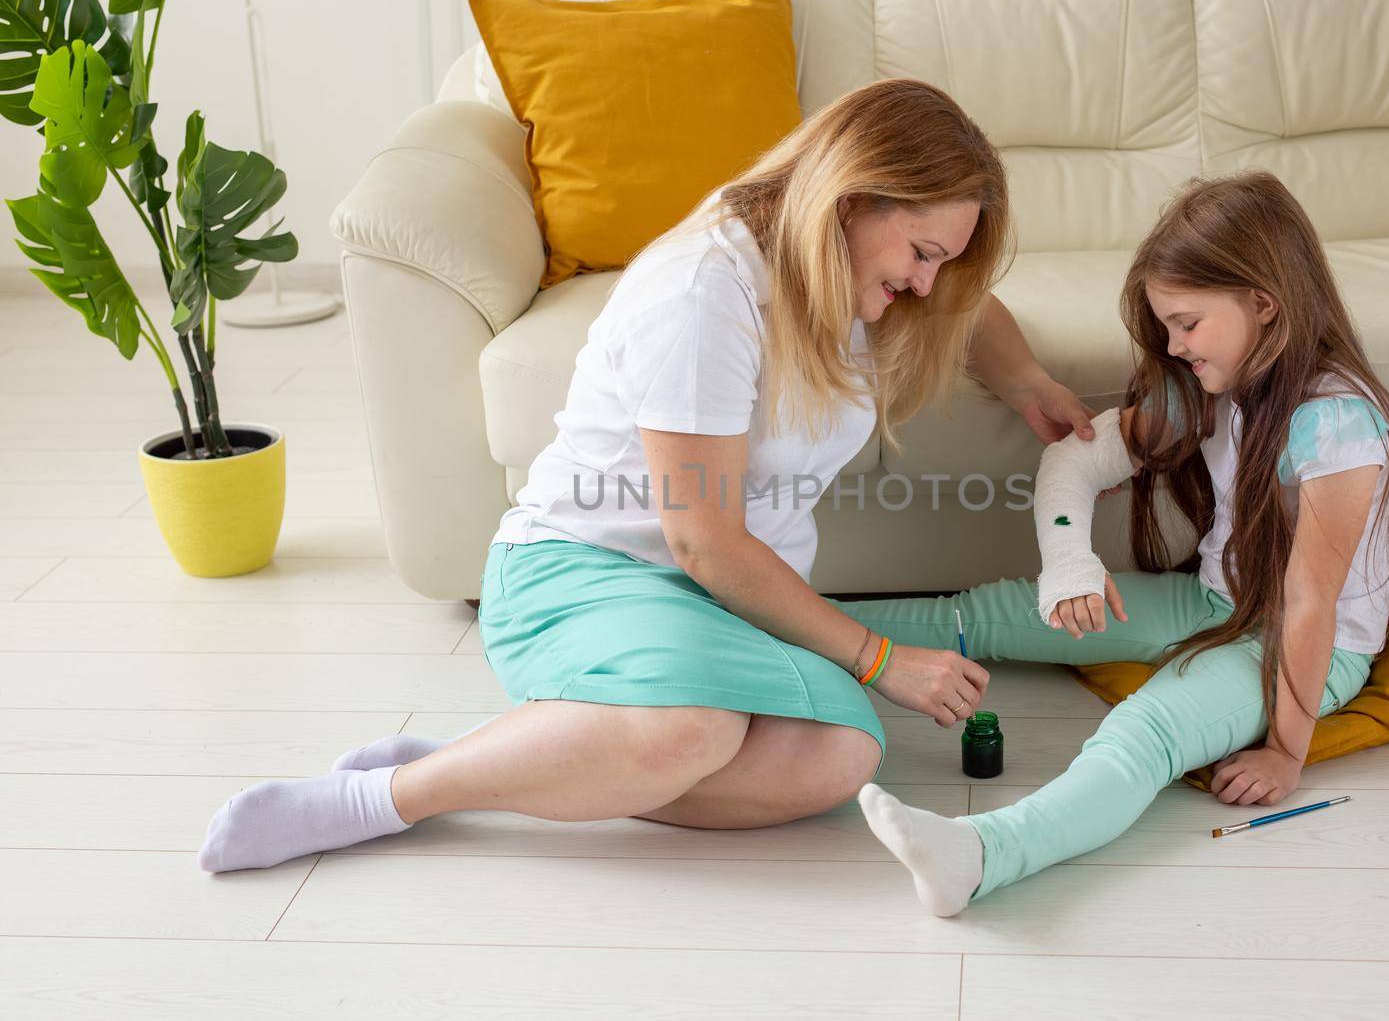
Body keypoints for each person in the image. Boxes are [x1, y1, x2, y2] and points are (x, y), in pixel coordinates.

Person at [195, 78, 1108, 873]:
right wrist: (879, 657)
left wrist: (1027, 381)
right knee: (696, 730)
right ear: (853, 199)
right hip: (587, 572)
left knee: (838, 758)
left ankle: (541, 757)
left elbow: (966, 303)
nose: (925, 284)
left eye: (941, 261)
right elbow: (701, 539)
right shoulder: (708, 290)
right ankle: (394, 795)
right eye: (921, 252)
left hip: (726, 602)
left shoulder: (848, 267)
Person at [851, 170, 1389, 917]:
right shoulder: (1212, 385)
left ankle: (982, 854)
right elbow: (1078, 457)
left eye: (1187, 322)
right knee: (989, 612)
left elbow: (1311, 599)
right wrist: (1070, 565)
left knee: (1143, 730)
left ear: (1263, 304)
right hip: (1216, 599)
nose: (1173, 344)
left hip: (1302, 640)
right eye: (1165, 326)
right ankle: (784, 618)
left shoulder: (1336, 423)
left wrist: (1287, 750)